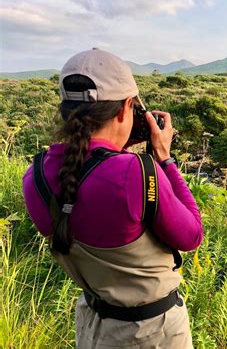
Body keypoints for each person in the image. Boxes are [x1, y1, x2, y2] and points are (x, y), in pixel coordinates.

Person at [22, 48, 203, 348]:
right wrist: (164, 158)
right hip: (153, 333)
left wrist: (113, 148)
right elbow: (192, 235)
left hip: (94, 326)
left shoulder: (36, 176)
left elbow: (87, 185)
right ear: (126, 109)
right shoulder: (136, 174)